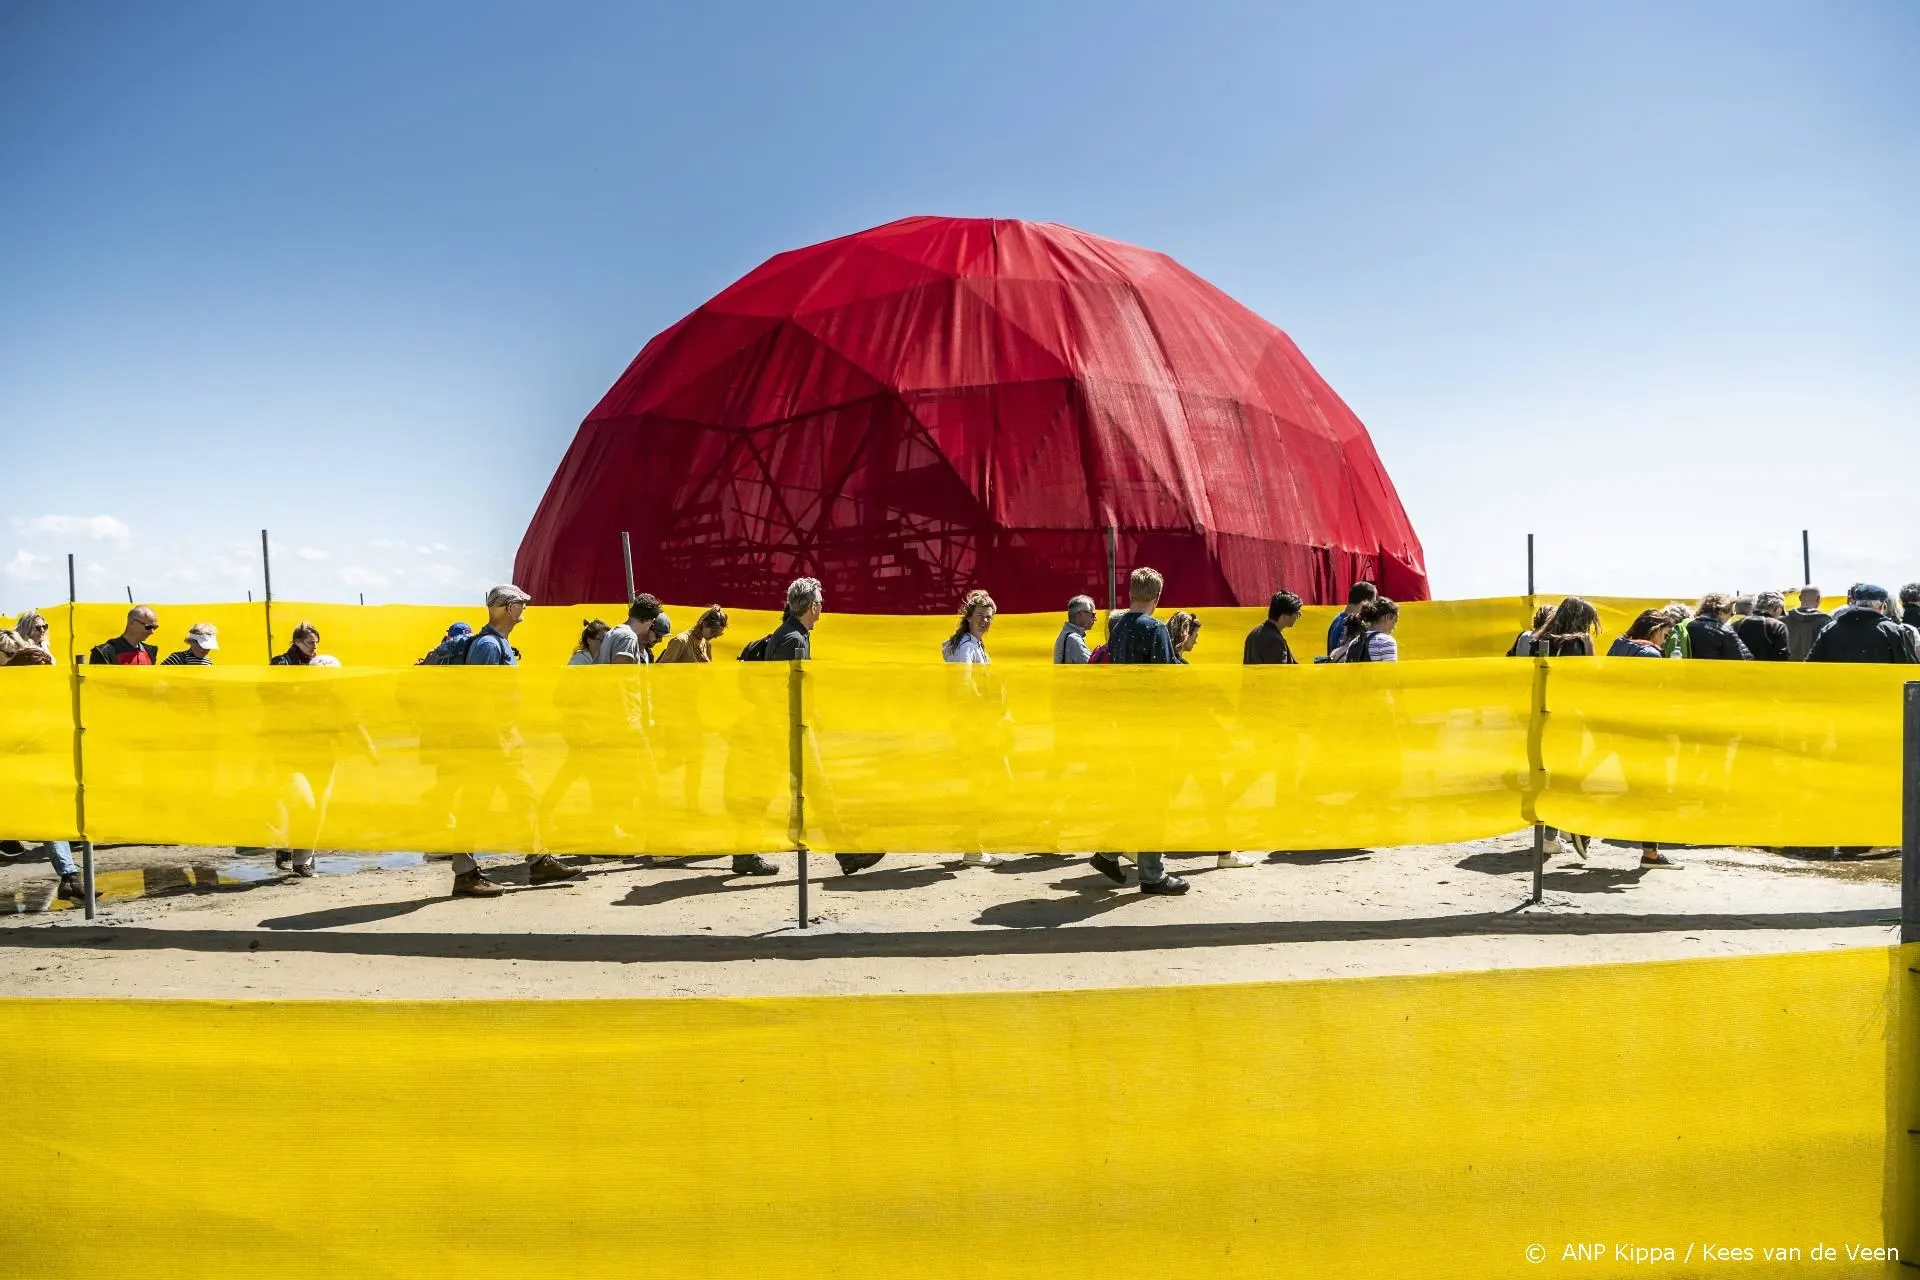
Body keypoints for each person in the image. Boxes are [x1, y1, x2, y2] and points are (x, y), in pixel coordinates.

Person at [448, 584, 585, 896]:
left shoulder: (499, 644)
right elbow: (479, 698)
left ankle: (538, 860)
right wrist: (496, 738)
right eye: (520, 604)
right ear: (508, 608)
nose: (524, 608)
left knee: (523, 798)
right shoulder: (488, 646)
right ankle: (466, 874)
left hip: (503, 740)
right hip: (490, 742)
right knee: (475, 805)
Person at [1087, 567, 1191, 896]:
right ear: (1157, 598)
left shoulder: (1118, 628)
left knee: (1138, 794)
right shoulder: (1155, 628)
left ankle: (1108, 852)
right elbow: (1163, 677)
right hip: (1152, 725)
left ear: (1130, 593)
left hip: (1125, 722)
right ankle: (1152, 872)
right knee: (1156, 797)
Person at [1806, 584, 1917, 664]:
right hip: (1881, 694)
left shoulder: (1830, 629)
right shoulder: (1894, 632)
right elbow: (1910, 671)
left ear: (1856, 604)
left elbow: (1810, 665)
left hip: (1838, 693)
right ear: (1883, 606)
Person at [598, 594, 664, 665]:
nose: (652, 624)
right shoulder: (628, 637)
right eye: (653, 622)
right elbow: (622, 673)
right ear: (648, 621)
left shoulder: (613, 631)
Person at [1685, 594, 1751, 660]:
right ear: (1721, 612)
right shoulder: (1726, 632)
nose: (1731, 616)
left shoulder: (1688, 626)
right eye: (1731, 614)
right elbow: (1744, 659)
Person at [1244, 591, 1301, 665]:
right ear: (1285, 615)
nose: (1297, 617)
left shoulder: (1253, 633)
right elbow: (1280, 674)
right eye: (1297, 613)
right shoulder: (1274, 640)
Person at [88, 606, 158, 666]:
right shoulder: (104, 653)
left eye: (154, 627)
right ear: (131, 623)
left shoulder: (150, 653)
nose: (151, 632)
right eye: (148, 627)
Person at [1336, 597, 1400, 662]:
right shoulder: (1386, 641)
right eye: (1395, 620)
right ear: (1388, 617)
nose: (1395, 626)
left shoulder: (1353, 643)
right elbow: (1390, 671)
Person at [1733, 591, 1791, 661]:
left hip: (1740, 670)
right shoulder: (1777, 626)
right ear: (1778, 609)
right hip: (1768, 670)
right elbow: (1782, 656)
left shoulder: (1737, 624)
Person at [657, 606, 727, 663]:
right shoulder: (681, 641)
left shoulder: (706, 644)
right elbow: (662, 671)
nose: (715, 636)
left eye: (718, 634)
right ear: (704, 624)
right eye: (713, 632)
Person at [1326, 581, 1377, 656]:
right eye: (1373, 602)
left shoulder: (1338, 620)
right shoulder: (1347, 625)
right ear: (1364, 602)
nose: (1374, 607)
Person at [1783, 587, 1830, 662]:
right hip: (1813, 670)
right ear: (1818, 599)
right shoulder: (1825, 621)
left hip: (1788, 669)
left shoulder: (1784, 620)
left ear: (1800, 598)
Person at [1608, 609, 1675, 657]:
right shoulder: (1652, 654)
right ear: (1656, 631)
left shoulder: (1617, 645)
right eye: (1665, 635)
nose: (1664, 641)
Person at [1053, 595, 1096, 664]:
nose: (1095, 619)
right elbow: (1091, 668)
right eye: (1093, 614)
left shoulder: (1067, 635)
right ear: (1080, 614)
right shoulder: (1073, 639)